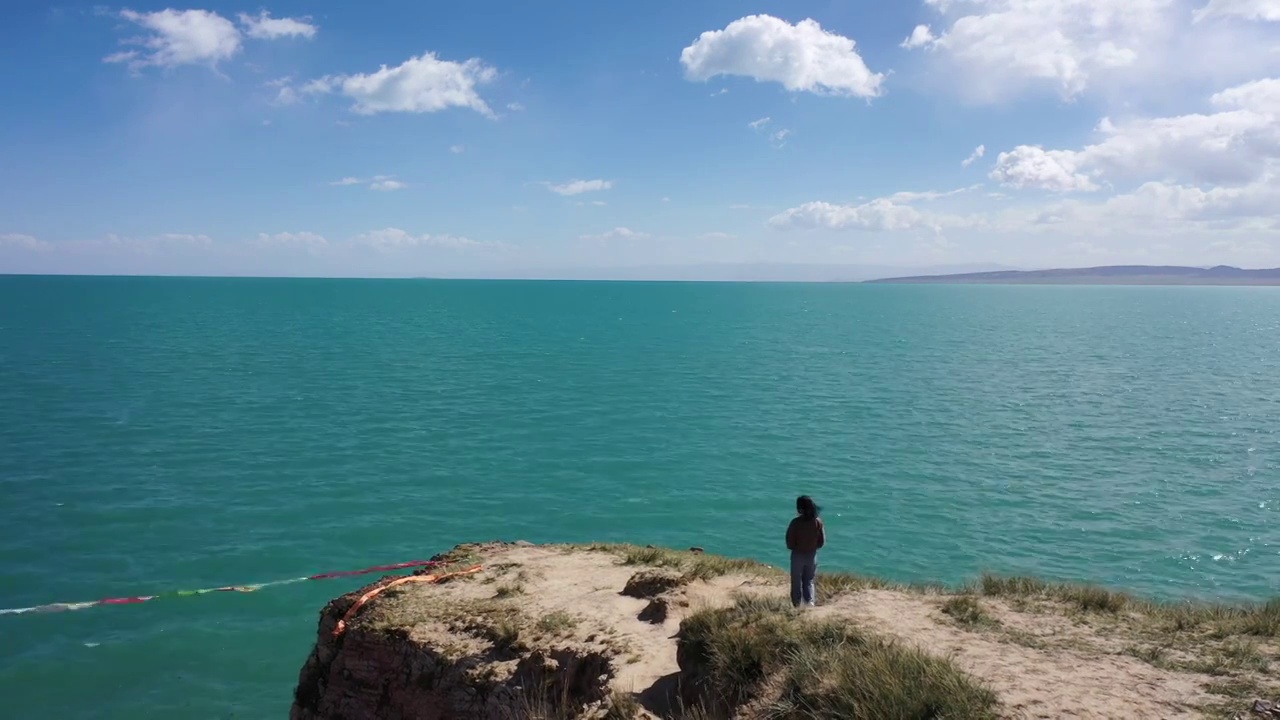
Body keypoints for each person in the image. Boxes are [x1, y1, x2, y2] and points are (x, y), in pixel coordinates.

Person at [785, 495, 825, 608]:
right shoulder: (817, 522)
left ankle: (797, 605)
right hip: (812, 555)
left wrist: (795, 547)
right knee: (809, 581)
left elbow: (789, 541)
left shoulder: (795, 523)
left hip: (797, 555)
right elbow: (821, 542)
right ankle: (810, 603)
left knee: (796, 581)